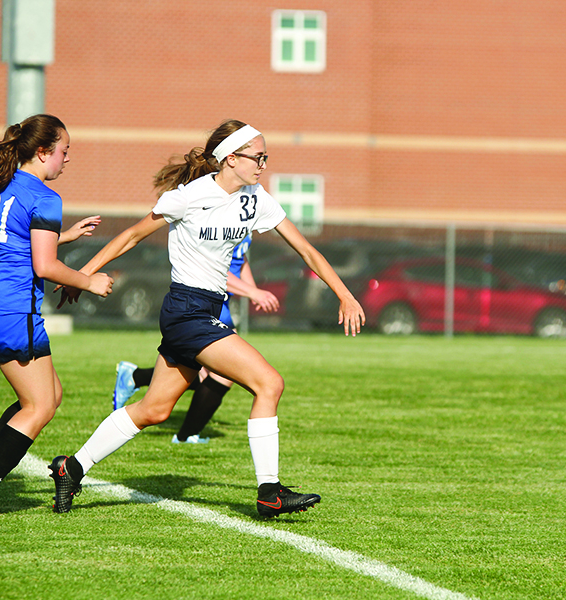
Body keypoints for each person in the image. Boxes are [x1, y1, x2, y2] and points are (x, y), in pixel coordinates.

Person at [51, 119, 364, 518]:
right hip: (186, 310)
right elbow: (130, 236)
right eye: (258, 156)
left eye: (266, 156)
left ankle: (70, 468)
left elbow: (306, 250)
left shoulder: (256, 197)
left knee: (154, 410)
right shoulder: (189, 197)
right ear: (230, 158)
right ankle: (270, 492)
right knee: (269, 382)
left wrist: (345, 294)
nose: (263, 164)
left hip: (204, 309)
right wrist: (82, 276)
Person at [0, 114, 113, 520]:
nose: (67, 159)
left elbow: (14, 241)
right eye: (64, 151)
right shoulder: (44, 196)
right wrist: (88, 281)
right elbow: (45, 266)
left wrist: (66, 235)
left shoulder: (2, 185)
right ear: (43, 152)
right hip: (11, 307)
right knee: (39, 407)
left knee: (48, 395)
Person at [113, 234, 281, 445]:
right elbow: (215, 268)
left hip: (222, 303)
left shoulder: (245, 213)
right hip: (204, 302)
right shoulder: (220, 216)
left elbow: (241, 256)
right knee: (222, 375)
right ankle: (184, 433)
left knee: (204, 374)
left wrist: (253, 289)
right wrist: (253, 292)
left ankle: (137, 378)